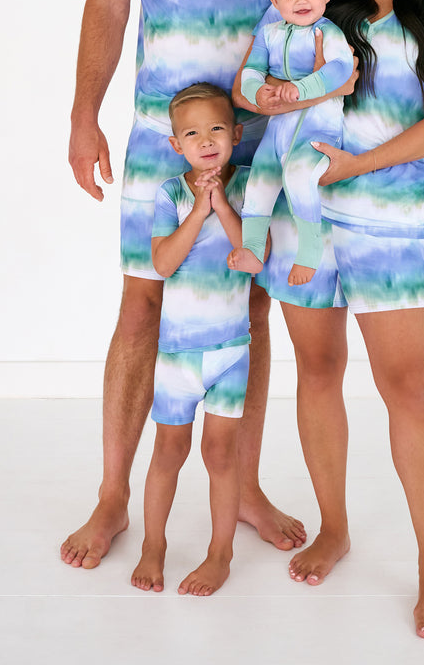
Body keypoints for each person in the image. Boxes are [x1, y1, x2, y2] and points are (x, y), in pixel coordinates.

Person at [62, 0, 325, 570]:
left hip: (262, 132)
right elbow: (107, 0)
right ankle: (112, 497)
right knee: (143, 303)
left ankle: (239, 485)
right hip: (157, 133)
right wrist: (81, 113)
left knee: (247, 306)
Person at [236, 0, 424, 639]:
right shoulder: (315, 5)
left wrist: (360, 165)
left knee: (406, 387)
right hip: (303, 223)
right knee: (317, 369)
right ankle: (334, 526)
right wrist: (263, 95)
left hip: (388, 223)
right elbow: (257, 81)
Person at [131, 84, 256, 596]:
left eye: (217, 129)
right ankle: (153, 545)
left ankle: (220, 553)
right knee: (168, 451)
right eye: (192, 133)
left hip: (230, 352)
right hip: (178, 356)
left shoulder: (248, 185)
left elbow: (253, 249)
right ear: (176, 145)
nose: (206, 140)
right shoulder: (169, 193)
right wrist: (198, 211)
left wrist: (221, 203)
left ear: (236, 134)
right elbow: (162, 263)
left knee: (221, 456)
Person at [229, 0, 352, 286]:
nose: (301, 0)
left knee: (298, 177)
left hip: (317, 130)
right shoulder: (270, 34)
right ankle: (253, 248)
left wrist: (302, 88)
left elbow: (341, 69)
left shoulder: (328, 33)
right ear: (275, 0)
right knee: (259, 182)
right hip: (278, 132)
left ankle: (309, 252)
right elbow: (251, 70)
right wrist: (258, 91)